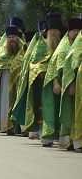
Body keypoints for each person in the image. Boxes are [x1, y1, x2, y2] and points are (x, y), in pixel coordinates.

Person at [42, 18, 82, 147]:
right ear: (69, 32)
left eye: (78, 31)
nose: (76, 33)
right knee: (67, 112)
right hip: (65, 85)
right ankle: (69, 141)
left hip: (78, 84)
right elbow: (55, 67)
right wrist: (56, 83)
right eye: (74, 31)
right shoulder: (63, 48)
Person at [25, 14, 63, 145]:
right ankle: (46, 137)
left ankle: (61, 137)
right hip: (44, 84)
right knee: (46, 110)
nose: (52, 32)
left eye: (55, 30)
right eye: (50, 30)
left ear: (59, 31)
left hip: (62, 82)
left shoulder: (63, 45)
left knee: (60, 110)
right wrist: (41, 71)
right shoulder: (41, 45)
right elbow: (34, 63)